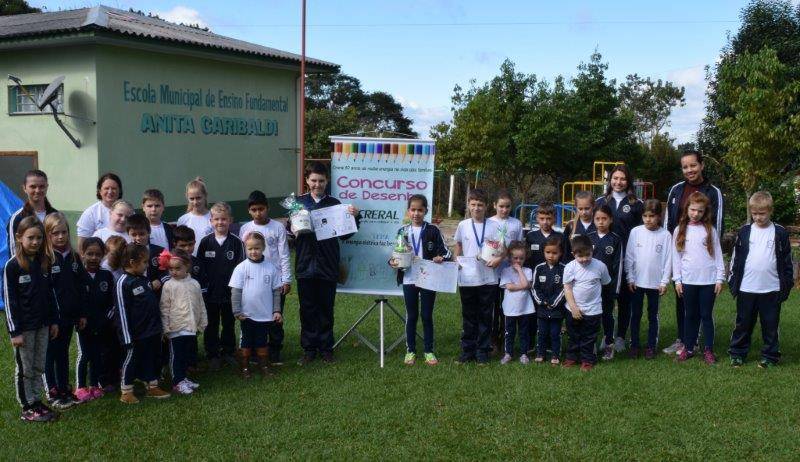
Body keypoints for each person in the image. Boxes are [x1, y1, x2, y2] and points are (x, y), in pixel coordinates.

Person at [290, 162, 360, 366]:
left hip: (328, 264)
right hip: (304, 264)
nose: (317, 184)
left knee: (326, 308)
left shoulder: (335, 203)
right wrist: (292, 229)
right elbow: (291, 234)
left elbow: (346, 235)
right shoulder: (297, 204)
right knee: (307, 308)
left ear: (327, 181)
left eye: (321, 180)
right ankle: (309, 349)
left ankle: (326, 348)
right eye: (313, 180)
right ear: (307, 180)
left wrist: (356, 217)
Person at [663, 150, 724, 355]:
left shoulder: (713, 191)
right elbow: (668, 223)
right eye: (685, 167)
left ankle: (699, 342)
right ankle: (684, 341)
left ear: (701, 165)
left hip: (704, 260)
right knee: (682, 301)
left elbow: (717, 225)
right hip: (682, 256)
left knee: (703, 308)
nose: (689, 170)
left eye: (693, 165)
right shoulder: (676, 190)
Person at [728, 192, 794, 368]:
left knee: (770, 325)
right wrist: (732, 281)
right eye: (755, 213)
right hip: (746, 288)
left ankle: (770, 356)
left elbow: (788, 261)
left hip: (771, 289)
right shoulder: (744, 232)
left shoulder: (779, 232)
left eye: (762, 213)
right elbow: (735, 259)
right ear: (751, 212)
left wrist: (786, 285)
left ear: (770, 211)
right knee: (743, 323)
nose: (758, 217)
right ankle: (737, 353)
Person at [4, 216, 60, 422]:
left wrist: (53, 320)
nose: (35, 242)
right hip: (24, 328)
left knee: (38, 365)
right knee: (25, 368)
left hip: (43, 324)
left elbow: (50, 294)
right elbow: (9, 301)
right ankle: (26, 406)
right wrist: (14, 331)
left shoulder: (44, 261)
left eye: (39, 238)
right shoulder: (12, 266)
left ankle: (37, 400)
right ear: (19, 237)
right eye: (30, 238)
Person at [389, 194, 450, 366]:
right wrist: (393, 262)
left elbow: (446, 252)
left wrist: (441, 257)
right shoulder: (402, 231)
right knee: (412, 315)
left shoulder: (432, 230)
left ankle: (429, 351)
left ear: (425, 211)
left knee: (426, 315)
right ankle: (410, 351)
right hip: (409, 278)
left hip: (428, 279)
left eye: (420, 210)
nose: (416, 213)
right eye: (413, 210)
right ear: (408, 211)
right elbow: (396, 255)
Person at [238, 190, 291, 365]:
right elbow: (243, 257)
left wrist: (286, 279)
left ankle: (275, 350)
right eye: (254, 209)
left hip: (274, 281)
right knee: (253, 317)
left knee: (275, 317)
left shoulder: (277, 227)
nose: (258, 213)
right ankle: (253, 351)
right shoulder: (245, 229)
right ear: (249, 211)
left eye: (261, 209)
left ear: (267, 208)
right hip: (252, 282)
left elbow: (284, 254)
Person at [672, 192, 725, 365]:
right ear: (687, 209)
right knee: (690, 315)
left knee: (706, 315)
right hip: (688, 281)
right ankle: (688, 348)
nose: (696, 214)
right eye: (693, 210)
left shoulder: (710, 230)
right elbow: (676, 257)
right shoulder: (679, 230)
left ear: (705, 212)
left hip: (708, 281)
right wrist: (678, 280)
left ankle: (708, 349)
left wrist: (719, 278)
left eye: (700, 211)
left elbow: (718, 255)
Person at [595, 165, 643, 354]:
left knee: (625, 300)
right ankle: (605, 336)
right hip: (602, 260)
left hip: (627, 259)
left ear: (628, 181)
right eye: (615, 178)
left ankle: (621, 336)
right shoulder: (600, 201)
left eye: (622, 178)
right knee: (602, 300)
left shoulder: (636, 204)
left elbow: (641, 232)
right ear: (610, 180)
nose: (618, 182)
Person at [43, 212, 88, 410]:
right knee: (50, 354)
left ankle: (64, 388)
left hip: (70, 317)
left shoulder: (74, 257)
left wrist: (81, 313)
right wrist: (51, 318)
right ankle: (51, 390)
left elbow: (80, 286)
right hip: (52, 319)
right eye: (55, 233)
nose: (60, 237)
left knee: (63, 353)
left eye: (63, 232)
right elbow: (44, 293)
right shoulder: (45, 259)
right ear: (48, 235)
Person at [116, 243, 170, 403]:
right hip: (134, 333)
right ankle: (126, 391)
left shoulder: (143, 279)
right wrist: (127, 337)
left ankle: (152, 386)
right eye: (145, 262)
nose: (147, 265)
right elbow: (122, 312)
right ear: (132, 263)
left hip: (151, 330)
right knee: (131, 359)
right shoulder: (123, 283)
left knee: (151, 358)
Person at [454, 188, 503, 365]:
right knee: (468, 314)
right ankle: (468, 350)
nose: (476, 208)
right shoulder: (463, 225)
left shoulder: (494, 226)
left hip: (488, 277)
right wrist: (456, 260)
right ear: (468, 205)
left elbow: (502, 248)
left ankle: (483, 351)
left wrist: (499, 259)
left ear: (486, 206)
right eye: (473, 205)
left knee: (485, 314)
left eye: (480, 205)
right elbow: (458, 245)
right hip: (467, 277)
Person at [197, 202, 245, 370]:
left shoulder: (237, 243)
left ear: (230, 220)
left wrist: (237, 291)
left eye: (224, 219)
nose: (220, 223)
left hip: (229, 293)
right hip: (210, 293)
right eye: (216, 219)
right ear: (211, 221)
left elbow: (241, 269)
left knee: (229, 323)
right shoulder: (204, 243)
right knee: (211, 324)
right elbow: (199, 268)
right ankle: (212, 354)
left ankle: (228, 352)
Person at [229, 232, 283, 378]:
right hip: (247, 315)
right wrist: (237, 311)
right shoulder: (241, 268)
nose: (254, 252)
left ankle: (264, 366)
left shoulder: (271, 268)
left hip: (265, 315)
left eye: (257, 248)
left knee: (262, 341)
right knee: (246, 341)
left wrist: (276, 310)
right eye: (250, 249)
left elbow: (276, 291)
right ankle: (245, 368)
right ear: (246, 249)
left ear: (263, 248)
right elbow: (236, 291)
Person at [624, 199, 672, 359]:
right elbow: (629, 257)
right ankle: (634, 345)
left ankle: (651, 346)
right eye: (645, 216)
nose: (648, 220)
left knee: (653, 316)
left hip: (655, 284)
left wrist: (664, 281)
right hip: (637, 283)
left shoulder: (665, 235)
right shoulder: (636, 232)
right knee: (635, 314)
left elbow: (668, 260)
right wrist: (630, 278)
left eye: (652, 216)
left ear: (659, 216)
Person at [159, 248, 207, 394]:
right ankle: (177, 382)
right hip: (175, 327)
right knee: (176, 356)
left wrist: (202, 321)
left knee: (186, 355)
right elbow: (164, 307)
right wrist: (165, 327)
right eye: (171, 269)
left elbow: (200, 303)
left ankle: (183, 378)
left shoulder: (195, 283)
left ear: (187, 266)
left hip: (190, 327)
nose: (173, 272)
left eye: (177, 268)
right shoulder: (169, 285)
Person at [563, 235, 611, 371]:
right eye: (580, 256)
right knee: (573, 335)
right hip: (573, 309)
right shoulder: (569, 267)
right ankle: (571, 357)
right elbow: (567, 288)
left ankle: (587, 360)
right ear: (573, 254)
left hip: (593, 310)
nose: (584, 259)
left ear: (592, 250)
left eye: (587, 255)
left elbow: (606, 283)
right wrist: (573, 308)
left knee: (589, 337)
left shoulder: (600, 266)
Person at [75, 237, 114, 401]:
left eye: (98, 254)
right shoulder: (77, 275)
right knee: (85, 355)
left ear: (103, 255)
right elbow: (74, 301)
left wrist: (106, 319)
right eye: (89, 254)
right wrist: (78, 318)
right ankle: (80, 387)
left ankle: (94, 384)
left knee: (98, 355)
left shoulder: (106, 275)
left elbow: (113, 302)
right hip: (83, 325)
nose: (93, 258)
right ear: (82, 254)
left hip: (102, 324)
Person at [488, 190, 524, 354]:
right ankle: (493, 339)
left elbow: (518, 247)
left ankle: (505, 339)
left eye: (507, 207)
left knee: (507, 307)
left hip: (509, 272)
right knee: (494, 307)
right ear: (494, 205)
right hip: (492, 272)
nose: (504, 210)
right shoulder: (488, 222)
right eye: (501, 206)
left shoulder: (516, 224)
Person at [524, 202, 562, 353]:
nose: (545, 222)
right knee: (533, 313)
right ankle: (533, 344)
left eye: (548, 218)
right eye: (542, 218)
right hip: (535, 284)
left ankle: (549, 345)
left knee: (552, 314)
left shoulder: (559, 237)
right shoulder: (530, 236)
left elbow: (563, 260)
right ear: (537, 219)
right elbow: (525, 259)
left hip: (554, 283)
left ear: (554, 218)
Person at [586, 205, 623, 361]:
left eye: (604, 219)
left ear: (610, 220)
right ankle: (591, 345)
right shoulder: (588, 238)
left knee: (608, 316)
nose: (601, 222)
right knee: (591, 317)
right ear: (593, 220)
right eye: (597, 219)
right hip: (590, 288)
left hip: (608, 287)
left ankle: (609, 344)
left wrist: (615, 288)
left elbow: (618, 266)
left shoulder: (615, 239)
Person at [532, 237, 566, 365]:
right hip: (542, 309)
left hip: (557, 309)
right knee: (542, 332)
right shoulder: (539, 268)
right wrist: (542, 301)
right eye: (548, 252)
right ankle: (540, 353)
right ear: (544, 252)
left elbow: (564, 289)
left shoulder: (564, 268)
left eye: (554, 253)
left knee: (555, 333)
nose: (551, 256)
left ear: (560, 253)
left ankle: (555, 355)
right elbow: (534, 287)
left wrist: (553, 303)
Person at [498, 241, 533, 365]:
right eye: (515, 258)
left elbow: (526, 284)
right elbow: (510, 287)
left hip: (525, 308)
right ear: (509, 258)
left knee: (524, 332)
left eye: (521, 258)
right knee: (509, 332)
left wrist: (519, 271)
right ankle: (508, 353)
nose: (518, 261)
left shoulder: (527, 271)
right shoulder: (505, 271)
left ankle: (524, 353)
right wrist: (521, 286)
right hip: (510, 309)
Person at [7, 169, 57, 255]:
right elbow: (14, 252)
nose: (37, 190)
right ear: (24, 188)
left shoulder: (56, 216)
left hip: (54, 267)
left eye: (41, 186)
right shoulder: (17, 218)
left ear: (47, 187)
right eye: (33, 186)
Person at [76, 172, 123, 249]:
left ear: (119, 191)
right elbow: (82, 245)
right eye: (106, 188)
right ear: (100, 191)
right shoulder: (90, 213)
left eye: (114, 188)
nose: (110, 192)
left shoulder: (127, 211)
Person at [126, 213, 167, 292]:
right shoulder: (126, 252)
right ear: (128, 234)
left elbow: (168, 272)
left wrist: (160, 281)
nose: (138, 238)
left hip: (157, 295)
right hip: (136, 296)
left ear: (149, 232)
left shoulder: (160, 252)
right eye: (134, 235)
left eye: (142, 234)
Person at [177, 177, 212, 256]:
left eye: (198, 198)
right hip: (188, 262)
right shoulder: (183, 220)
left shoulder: (213, 218)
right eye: (192, 199)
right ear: (187, 197)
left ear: (205, 196)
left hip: (209, 262)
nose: (195, 202)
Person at [562, 191, 595, 262]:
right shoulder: (570, 226)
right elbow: (565, 251)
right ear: (576, 207)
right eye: (580, 209)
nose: (584, 212)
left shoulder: (599, 225)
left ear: (593, 206)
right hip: (575, 270)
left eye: (587, 208)